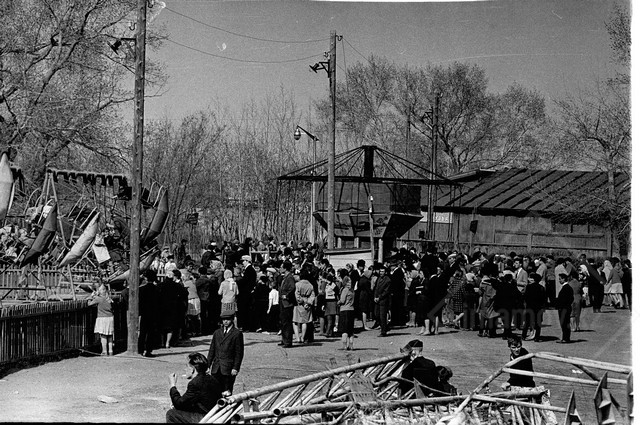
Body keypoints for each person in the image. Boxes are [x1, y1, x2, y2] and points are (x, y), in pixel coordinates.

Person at [166, 352, 223, 423]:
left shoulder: (195, 383)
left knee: (171, 414)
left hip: (206, 418)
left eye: (187, 366)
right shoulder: (212, 379)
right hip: (215, 414)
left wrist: (172, 385)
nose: (185, 369)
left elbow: (179, 404)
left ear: (192, 369)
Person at [207, 310, 244, 395]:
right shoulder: (217, 333)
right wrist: (208, 365)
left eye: (228, 319)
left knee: (227, 391)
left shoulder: (237, 333)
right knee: (214, 391)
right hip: (216, 368)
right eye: (223, 320)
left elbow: (239, 353)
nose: (225, 322)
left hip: (228, 368)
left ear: (232, 320)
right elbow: (212, 350)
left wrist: (235, 367)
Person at [88, 284, 114, 356]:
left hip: (102, 318)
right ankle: (111, 351)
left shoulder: (98, 299)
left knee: (103, 335)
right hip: (110, 317)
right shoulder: (109, 298)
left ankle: (104, 351)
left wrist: (91, 296)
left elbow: (89, 304)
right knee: (110, 335)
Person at [139, 269, 160, 357]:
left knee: (143, 332)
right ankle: (148, 350)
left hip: (144, 312)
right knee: (151, 333)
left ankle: (140, 349)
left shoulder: (142, 289)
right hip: (154, 313)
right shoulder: (157, 289)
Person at [293, 268, 316, 344]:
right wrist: (308, 303)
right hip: (307, 303)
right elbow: (312, 296)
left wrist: (301, 301)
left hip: (299, 304)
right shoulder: (310, 285)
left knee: (295, 321)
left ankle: (297, 337)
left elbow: (297, 295)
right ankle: (303, 337)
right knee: (305, 321)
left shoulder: (297, 284)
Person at [522, 273, 546, 342]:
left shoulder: (528, 287)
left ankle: (523, 335)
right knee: (538, 323)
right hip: (538, 308)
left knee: (527, 322)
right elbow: (544, 299)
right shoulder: (542, 288)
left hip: (530, 307)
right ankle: (537, 337)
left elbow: (525, 297)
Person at [278, 261, 296, 348]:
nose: (280, 268)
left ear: (285, 268)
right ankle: (284, 339)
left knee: (287, 322)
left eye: (281, 267)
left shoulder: (290, 278)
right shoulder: (284, 277)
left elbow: (292, 288)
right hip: (282, 302)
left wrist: (287, 296)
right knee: (283, 321)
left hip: (287, 303)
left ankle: (288, 341)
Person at [337, 268, 355, 350]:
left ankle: (344, 346)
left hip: (344, 310)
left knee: (344, 330)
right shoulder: (352, 291)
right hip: (351, 309)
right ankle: (351, 345)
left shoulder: (345, 290)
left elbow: (342, 300)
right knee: (350, 330)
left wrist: (338, 302)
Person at [373, 263, 391, 337]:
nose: (381, 273)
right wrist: (375, 297)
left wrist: (379, 297)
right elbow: (376, 288)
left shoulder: (388, 280)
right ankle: (384, 327)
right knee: (376, 314)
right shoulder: (378, 278)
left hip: (383, 300)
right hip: (377, 299)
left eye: (383, 271)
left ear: (385, 272)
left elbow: (386, 291)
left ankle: (383, 331)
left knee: (382, 316)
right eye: (380, 271)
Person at [556, 273, 573, 343]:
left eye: (560, 279)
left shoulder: (566, 288)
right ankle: (566, 337)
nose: (559, 280)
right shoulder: (568, 288)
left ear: (563, 279)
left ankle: (565, 338)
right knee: (566, 323)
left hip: (563, 308)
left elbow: (564, 299)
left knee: (564, 323)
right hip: (567, 307)